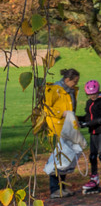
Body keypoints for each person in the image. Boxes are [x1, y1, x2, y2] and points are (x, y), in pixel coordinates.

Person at [33, 69, 83, 198]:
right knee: (58, 158)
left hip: (68, 128)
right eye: (75, 81)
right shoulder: (54, 90)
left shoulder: (70, 91)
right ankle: (55, 189)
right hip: (57, 128)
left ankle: (62, 188)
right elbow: (47, 107)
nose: (76, 83)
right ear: (67, 80)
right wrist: (62, 113)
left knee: (66, 158)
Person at [79, 80, 101, 193]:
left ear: (98, 92)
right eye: (89, 95)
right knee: (92, 156)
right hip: (93, 132)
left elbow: (100, 119)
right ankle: (94, 178)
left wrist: (85, 124)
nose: (92, 96)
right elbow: (88, 117)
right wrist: (76, 118)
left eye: (94, 94)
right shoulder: (89, 103)